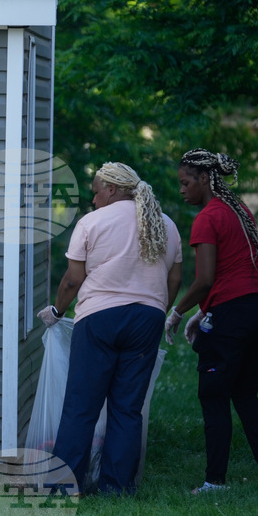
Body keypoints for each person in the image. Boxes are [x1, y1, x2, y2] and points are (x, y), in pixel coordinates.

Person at [38, 161, 182, 495]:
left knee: (81, 405)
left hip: (100, 319)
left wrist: (57, 310)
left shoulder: (92, 222)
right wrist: (159, 309)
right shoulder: (166, 225)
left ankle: (63, 487)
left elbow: (74, 278)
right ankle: (117, 487)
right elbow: (174, 278)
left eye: (95, 191)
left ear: (112, 190)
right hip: (147, 320)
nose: (92, 199)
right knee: (128, 408)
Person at [164, 148, 258, 494]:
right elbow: (237, 274)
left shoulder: (207, 218)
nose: (182, 190)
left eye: (186, 183)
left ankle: (214, 482)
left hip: (233, 314)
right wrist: (205, 312)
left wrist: (178, 312)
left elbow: (204, 280)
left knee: (213, 394)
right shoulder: (240, 210)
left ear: (204, 178)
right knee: (245, 392)